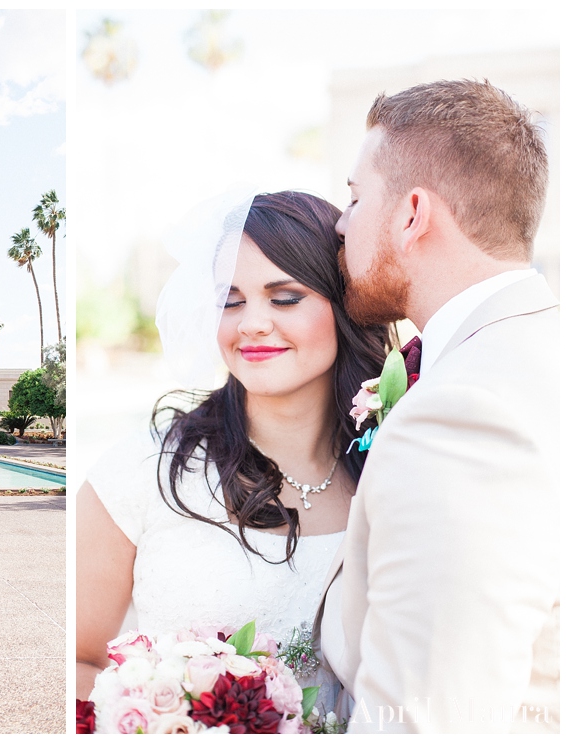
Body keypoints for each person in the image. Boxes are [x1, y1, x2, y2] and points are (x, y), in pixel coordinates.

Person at [76, 190, 390, 707]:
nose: (251, 323)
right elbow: (78, 661)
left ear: (345, 303)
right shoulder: (144, 470)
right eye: (231, 300)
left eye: (284, 297)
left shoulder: (389, 464)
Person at [314, 80, 558, 733]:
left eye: (354, 197)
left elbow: (421, 719)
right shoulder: (535, 352)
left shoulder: (464, 409)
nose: (340, 222)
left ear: (412, 213)